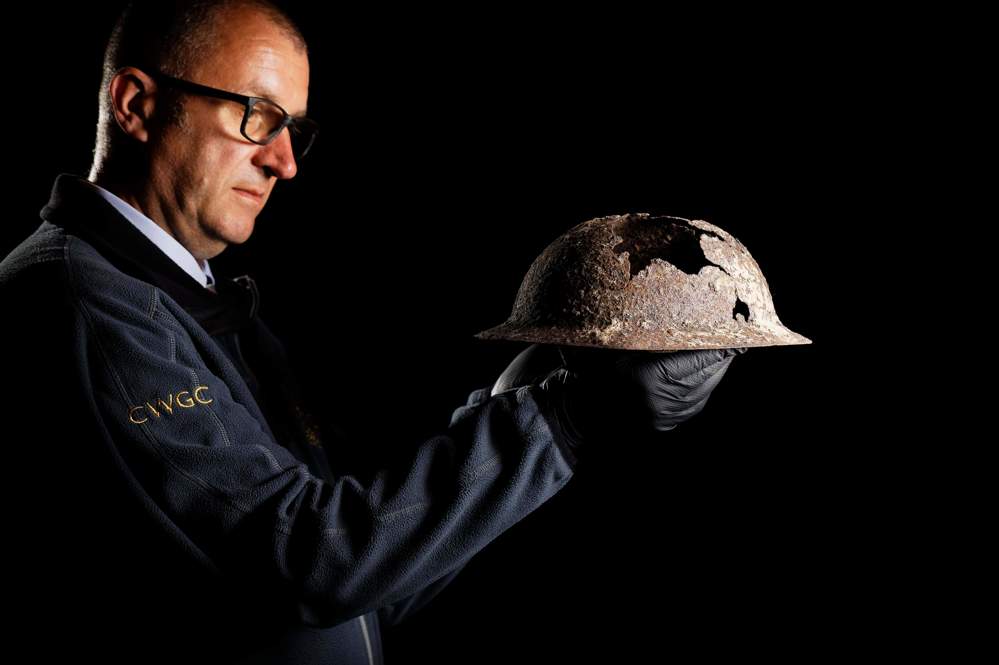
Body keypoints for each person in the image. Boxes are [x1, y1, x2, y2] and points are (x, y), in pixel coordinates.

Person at [0, 2, 745, 663]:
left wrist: (511, 414)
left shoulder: (199, 302)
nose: (284, 162)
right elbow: (307, 562)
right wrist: (557, 420)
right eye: (255, 115)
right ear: (135, 103)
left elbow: (360, 586)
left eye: (293, 129)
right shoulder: (83, 302)